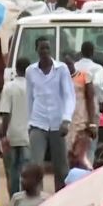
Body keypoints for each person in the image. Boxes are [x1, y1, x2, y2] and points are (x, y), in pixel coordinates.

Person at [26, 37, 76, 192]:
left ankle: (61, 197)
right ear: (36, 50)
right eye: (42, 48)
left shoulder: (61, 69)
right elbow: (29, 98)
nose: (45, 51)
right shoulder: (30, 71)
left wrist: (66, 120)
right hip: (38, 122)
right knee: (35, 165)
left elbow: (69, 96)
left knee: (61, 166)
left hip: (58, 124)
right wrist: (29, 122)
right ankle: (37, 197)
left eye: (47, 48)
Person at [0, 57, 31, 197]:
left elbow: (6, 113)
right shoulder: (33, 87)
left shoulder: (9, 87)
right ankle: (25, 198)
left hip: (12, 134)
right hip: (28, 135)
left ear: (16, 70)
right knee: (26, 170)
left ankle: (14, 199)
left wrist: (3, 134)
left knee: (12, 171)